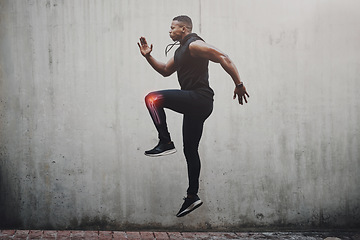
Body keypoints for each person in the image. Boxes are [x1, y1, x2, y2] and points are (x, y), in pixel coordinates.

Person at [137, 15, 249, 217]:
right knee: (190, 150)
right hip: (196, 105)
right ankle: (192, 196)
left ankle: (165, 141)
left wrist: (238, 84)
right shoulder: (181, 51)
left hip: (199, 98)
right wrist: (148, 56)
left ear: (184, 29)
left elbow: (224, 57)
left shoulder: (194, 44)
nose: (169, 31)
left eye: (173, 28)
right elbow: (164, 70)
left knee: (152, 98)